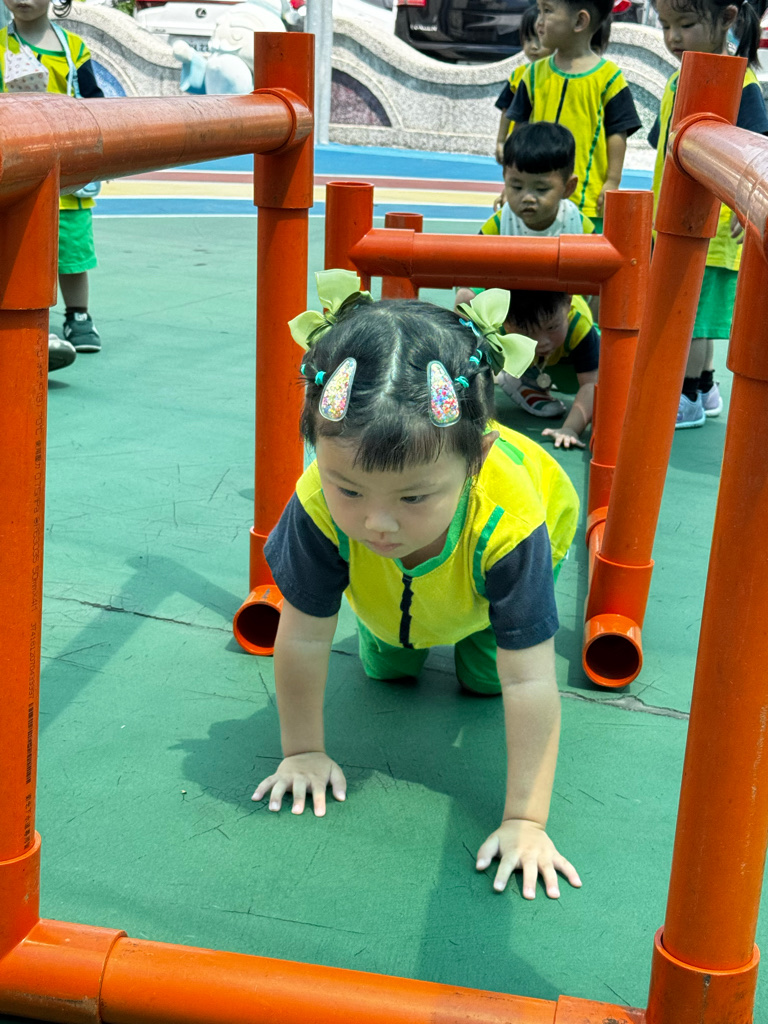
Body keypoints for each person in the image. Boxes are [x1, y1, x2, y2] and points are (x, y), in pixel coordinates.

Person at [253, 271, 583, 899]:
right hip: (394, 589)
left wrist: (526, 821)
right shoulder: (318, 502)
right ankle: (401, 628)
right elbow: (303, 637)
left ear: (477, 458)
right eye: (349, 488)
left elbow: (531, 679)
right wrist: (301, 751)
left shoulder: (512, 521)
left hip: (489, 567)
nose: (377, 522)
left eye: (412, 496)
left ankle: (473, 632)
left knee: (486, 679)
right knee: (387, 663)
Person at [650, 0, 768, 428]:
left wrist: (746, 199)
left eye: (685, 24)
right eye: (665, 25)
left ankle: (687, 396)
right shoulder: (677, 78)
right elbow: (661, 141)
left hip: (711, 228)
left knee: (692, 320)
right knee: (693, 312)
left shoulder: (740, 82)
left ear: (727, 19)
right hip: (674, 219)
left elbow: (757, 148)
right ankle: (704, 385)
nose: (673, 37)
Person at [455, 123, 596, 419]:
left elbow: (600, 278)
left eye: (541, 189)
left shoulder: (579, 226)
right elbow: (470, 274)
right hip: (513, 315)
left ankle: (562, 369)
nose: (527, 197)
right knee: (464, 298)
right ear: (505, 180)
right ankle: (472, 375)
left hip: (557, 314)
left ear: (568, 187)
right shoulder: (499, 225)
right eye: (516, 187)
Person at [1, 0, 104, 372]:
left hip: (66, 175)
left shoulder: (73, 48)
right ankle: (24, 321)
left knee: (72, 250)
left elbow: (95, 102)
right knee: (12, 248)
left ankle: (78, 315)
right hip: (14, 172)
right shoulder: (1, 46)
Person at [506, 0, 642, 231]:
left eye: (547, 11)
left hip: (587, 200)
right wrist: (513, 185)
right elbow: (518, 128)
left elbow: (617, 133)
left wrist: (612, 181)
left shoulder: (609, 78)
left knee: (583, 251)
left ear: (579, 21)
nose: (539, 21)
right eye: (539, 11)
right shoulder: (532, 74)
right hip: (536, 195)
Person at [499, 291, 599, 448]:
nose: (541, 342)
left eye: (552, 327)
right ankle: (525, 376)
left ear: (569, 302)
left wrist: (570, 429)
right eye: (525, 331)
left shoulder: (579, 326)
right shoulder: (497, 319)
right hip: (538, 360)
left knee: (607, 388)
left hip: (570, 368)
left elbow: (590, 385)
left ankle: (525, 373)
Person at [494, 5, 552, 164]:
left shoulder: (559, 75)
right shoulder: (518, 75)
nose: (533, 46)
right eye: (528, 39)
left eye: (539, 39)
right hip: (519, 145)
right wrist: (501, 141)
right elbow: (506, 109)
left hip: (547, 146)